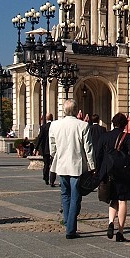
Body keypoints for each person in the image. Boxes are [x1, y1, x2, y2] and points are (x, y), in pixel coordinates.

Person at [49, 100, 95, 239]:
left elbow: (52, 147)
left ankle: (68, 223)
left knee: (65, 194)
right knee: (75, 196)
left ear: (64, 111)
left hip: (61, 165)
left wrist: (56, 155)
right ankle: (70, 228)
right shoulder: (82, 125)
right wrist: (92, 166)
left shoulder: (54, 125)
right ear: (76, 111)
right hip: (76, 165)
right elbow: (88, 148)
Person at [103, 112, 130, 242]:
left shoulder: (106, 136)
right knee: (122, 200)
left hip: (110, 172)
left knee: (113, 199)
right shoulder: (127, 136)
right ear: (125, 124)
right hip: (122, 173)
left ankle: (110, 222)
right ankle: (120, 232)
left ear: (113, 123)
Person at [35, 113, 55, 186]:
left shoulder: (43, 127)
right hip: (53, 148)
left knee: (46, 164)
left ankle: (46, 178)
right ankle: (52, 180)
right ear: (52, 118)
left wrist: (36, 148)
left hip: (45, 148)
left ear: (46, 118)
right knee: (53, 164)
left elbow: (40, 138)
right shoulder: (55, 126)